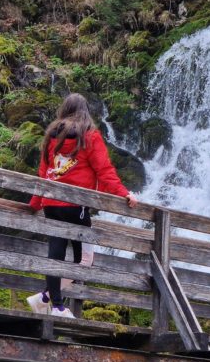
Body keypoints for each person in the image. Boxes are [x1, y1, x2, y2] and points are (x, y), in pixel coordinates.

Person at [26, 93, 137, 318]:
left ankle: (49, 300)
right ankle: (53, 303)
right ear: (85, 111)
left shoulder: (51, 136)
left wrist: (36, 202)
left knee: (56, 251)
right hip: (77, 206)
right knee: (84, 258)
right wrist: (125, 194)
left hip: (51, 203)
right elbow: (104, 172)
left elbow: (43, 173)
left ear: (64, 110)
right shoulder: (90, 137)